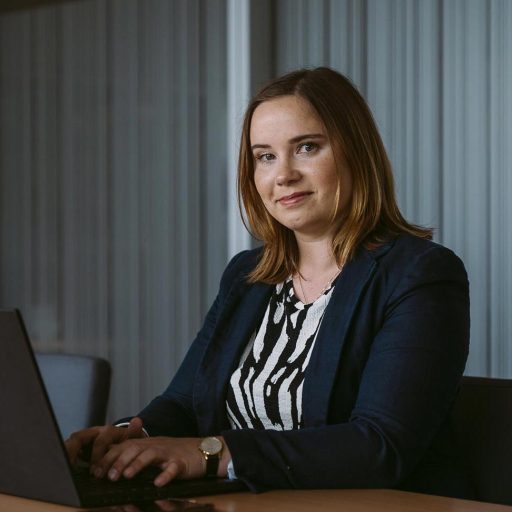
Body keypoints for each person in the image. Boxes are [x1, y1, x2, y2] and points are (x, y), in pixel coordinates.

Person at [66, 67, 471, 498]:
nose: (284, 175)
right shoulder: (248, 275)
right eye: (265, 156)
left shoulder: (420, 274)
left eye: (307, 147)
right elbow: (186, 402)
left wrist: (211, 453)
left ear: (356, 152)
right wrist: (130, 439)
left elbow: (380, 445)